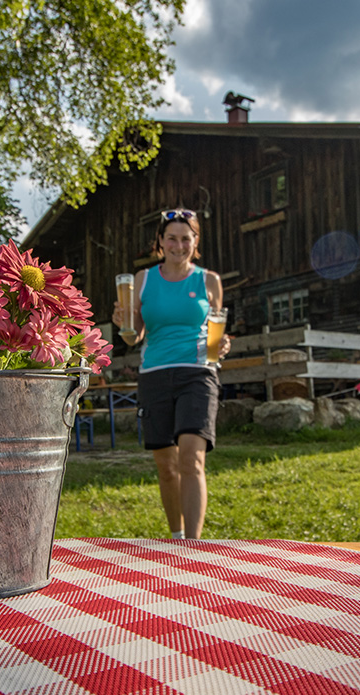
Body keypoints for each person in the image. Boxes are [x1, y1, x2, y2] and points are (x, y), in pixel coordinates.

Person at [112, 208, 230, 539]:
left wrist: (222, 346)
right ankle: (176, 537)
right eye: (171, 238)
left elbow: (216, 334)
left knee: (191, 458)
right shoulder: (143, 279)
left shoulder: (209, 281)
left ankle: (193, 545)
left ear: (195, 242)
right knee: (166, 467)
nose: (179, 245)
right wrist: (122, 322)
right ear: (160, 242)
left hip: (198, 374)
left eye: (185, 238)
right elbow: (133, 336)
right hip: (155, 374)